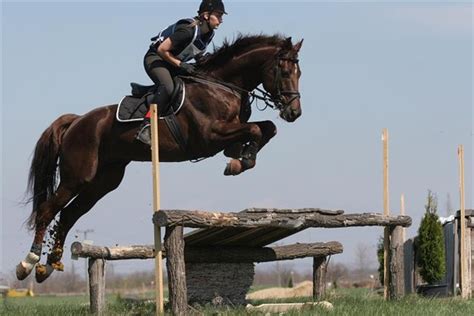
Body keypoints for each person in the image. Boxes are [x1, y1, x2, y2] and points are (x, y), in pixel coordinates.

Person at [136, 0, 227, 145]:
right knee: (168, 87)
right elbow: (162, 50)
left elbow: (195, 51)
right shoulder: (187, 30)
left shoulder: (208, 34)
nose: (221, 20)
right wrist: (181, 64)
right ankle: (146, 125)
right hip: (156, 59)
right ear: (205, 15)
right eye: (219, 15)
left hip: (172, 62)